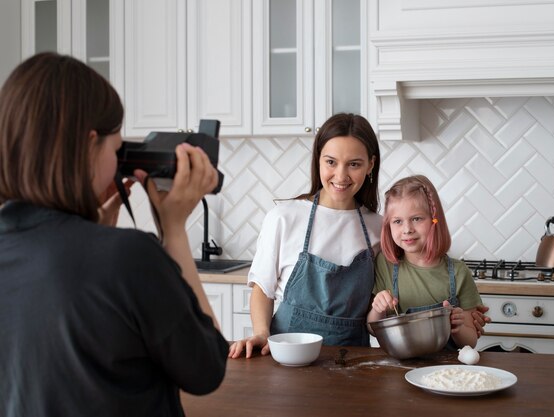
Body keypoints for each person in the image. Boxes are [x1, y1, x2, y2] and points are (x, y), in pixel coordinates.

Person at [0, 53, 228, 416]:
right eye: (116, 147)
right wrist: (174, 230)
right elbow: (207, 370)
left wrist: (91, 230)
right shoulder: (126, 257)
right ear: (90, 144)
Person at [228, 113, 383, 358]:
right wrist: (260, 332)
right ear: (318, 160)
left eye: (354, 164)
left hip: (353, 361)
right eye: (331, 162)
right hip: (288, 355)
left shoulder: (378, 227)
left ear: (370, 165)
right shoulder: (283, 217)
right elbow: (263, 288)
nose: (341, 176)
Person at [367, 175, 483, 349]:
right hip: (397, 369)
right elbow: (372, 328)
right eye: (397, 221)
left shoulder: (458, 272)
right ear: (388, 226)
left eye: (417, 219)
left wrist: (458, 327)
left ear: (434, 220)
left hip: (445, 371)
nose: (407, 229)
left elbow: (471, 341)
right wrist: (378, 309)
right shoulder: (385, 265)